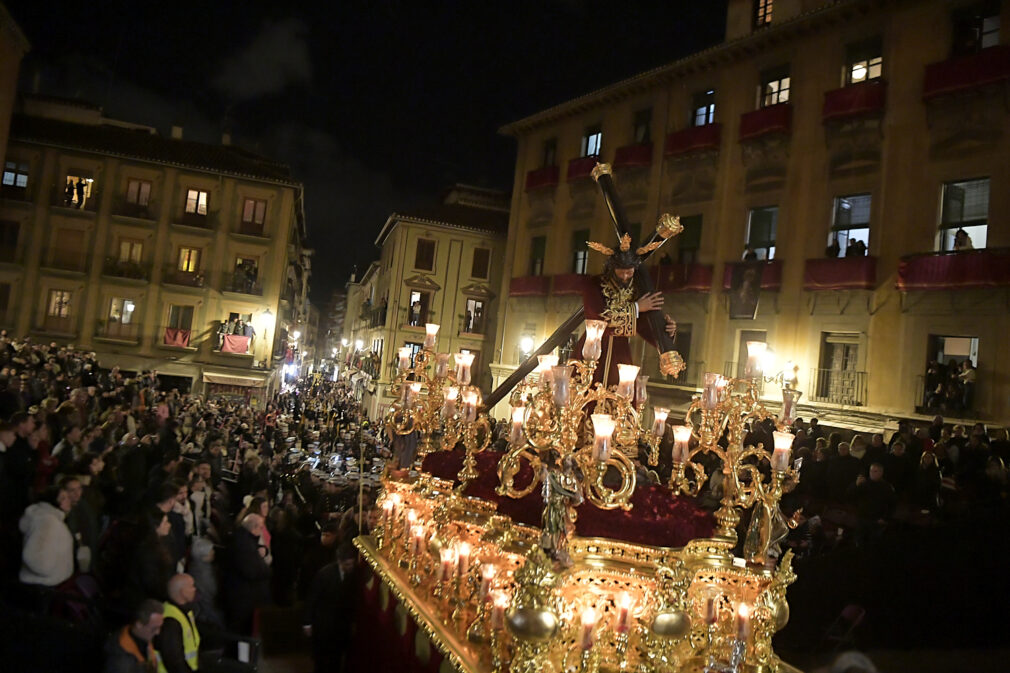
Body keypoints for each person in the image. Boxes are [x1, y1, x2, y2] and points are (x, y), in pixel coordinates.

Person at [578, 232, 679, 386]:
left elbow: (643, 325)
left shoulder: (635, 290)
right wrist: (637, 307)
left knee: (620, 396)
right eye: (621, 272)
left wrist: (667, 331)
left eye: (629, 272)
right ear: (612, 269)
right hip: (593, 348)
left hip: (621, 351)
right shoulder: (594, 284)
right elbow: (599, 317)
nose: (625, 276)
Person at [303, 543, 359, 673]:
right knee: (321, 659)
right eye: (347, 565)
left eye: (352, 564)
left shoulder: (353, 575)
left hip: (340, 625)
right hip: (323, 623)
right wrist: (307, 623)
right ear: (340, 562)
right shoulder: (324, 575)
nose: (350, 567)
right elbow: (312, 599)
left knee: (336, 658)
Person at [19, 485, 75, 586]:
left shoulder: (51, 519)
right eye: (63, 498)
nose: (68, 500)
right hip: (43, 588)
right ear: (53, 502)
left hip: (47, 586)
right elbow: (35, 559)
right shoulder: (48, 521)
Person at [224, 513, 272, 633]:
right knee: (242, 630)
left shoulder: (244, 537)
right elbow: (250, 571)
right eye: (261, 527)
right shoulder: (243, 544)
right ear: (253, 528)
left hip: (244, 595)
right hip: (243, 597)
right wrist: (267, 570)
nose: (262, 530)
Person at [154, 574, 201, 673]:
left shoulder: (184, 611)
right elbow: (174, 661)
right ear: (183, 592)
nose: (194, 589)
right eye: (192, 586)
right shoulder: (171, 621)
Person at [104, 599, 164, 673]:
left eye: (159, 627)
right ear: (139, 625)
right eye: (154, 629)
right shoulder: (122, 664)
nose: (158, 632)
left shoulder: (143, 638)